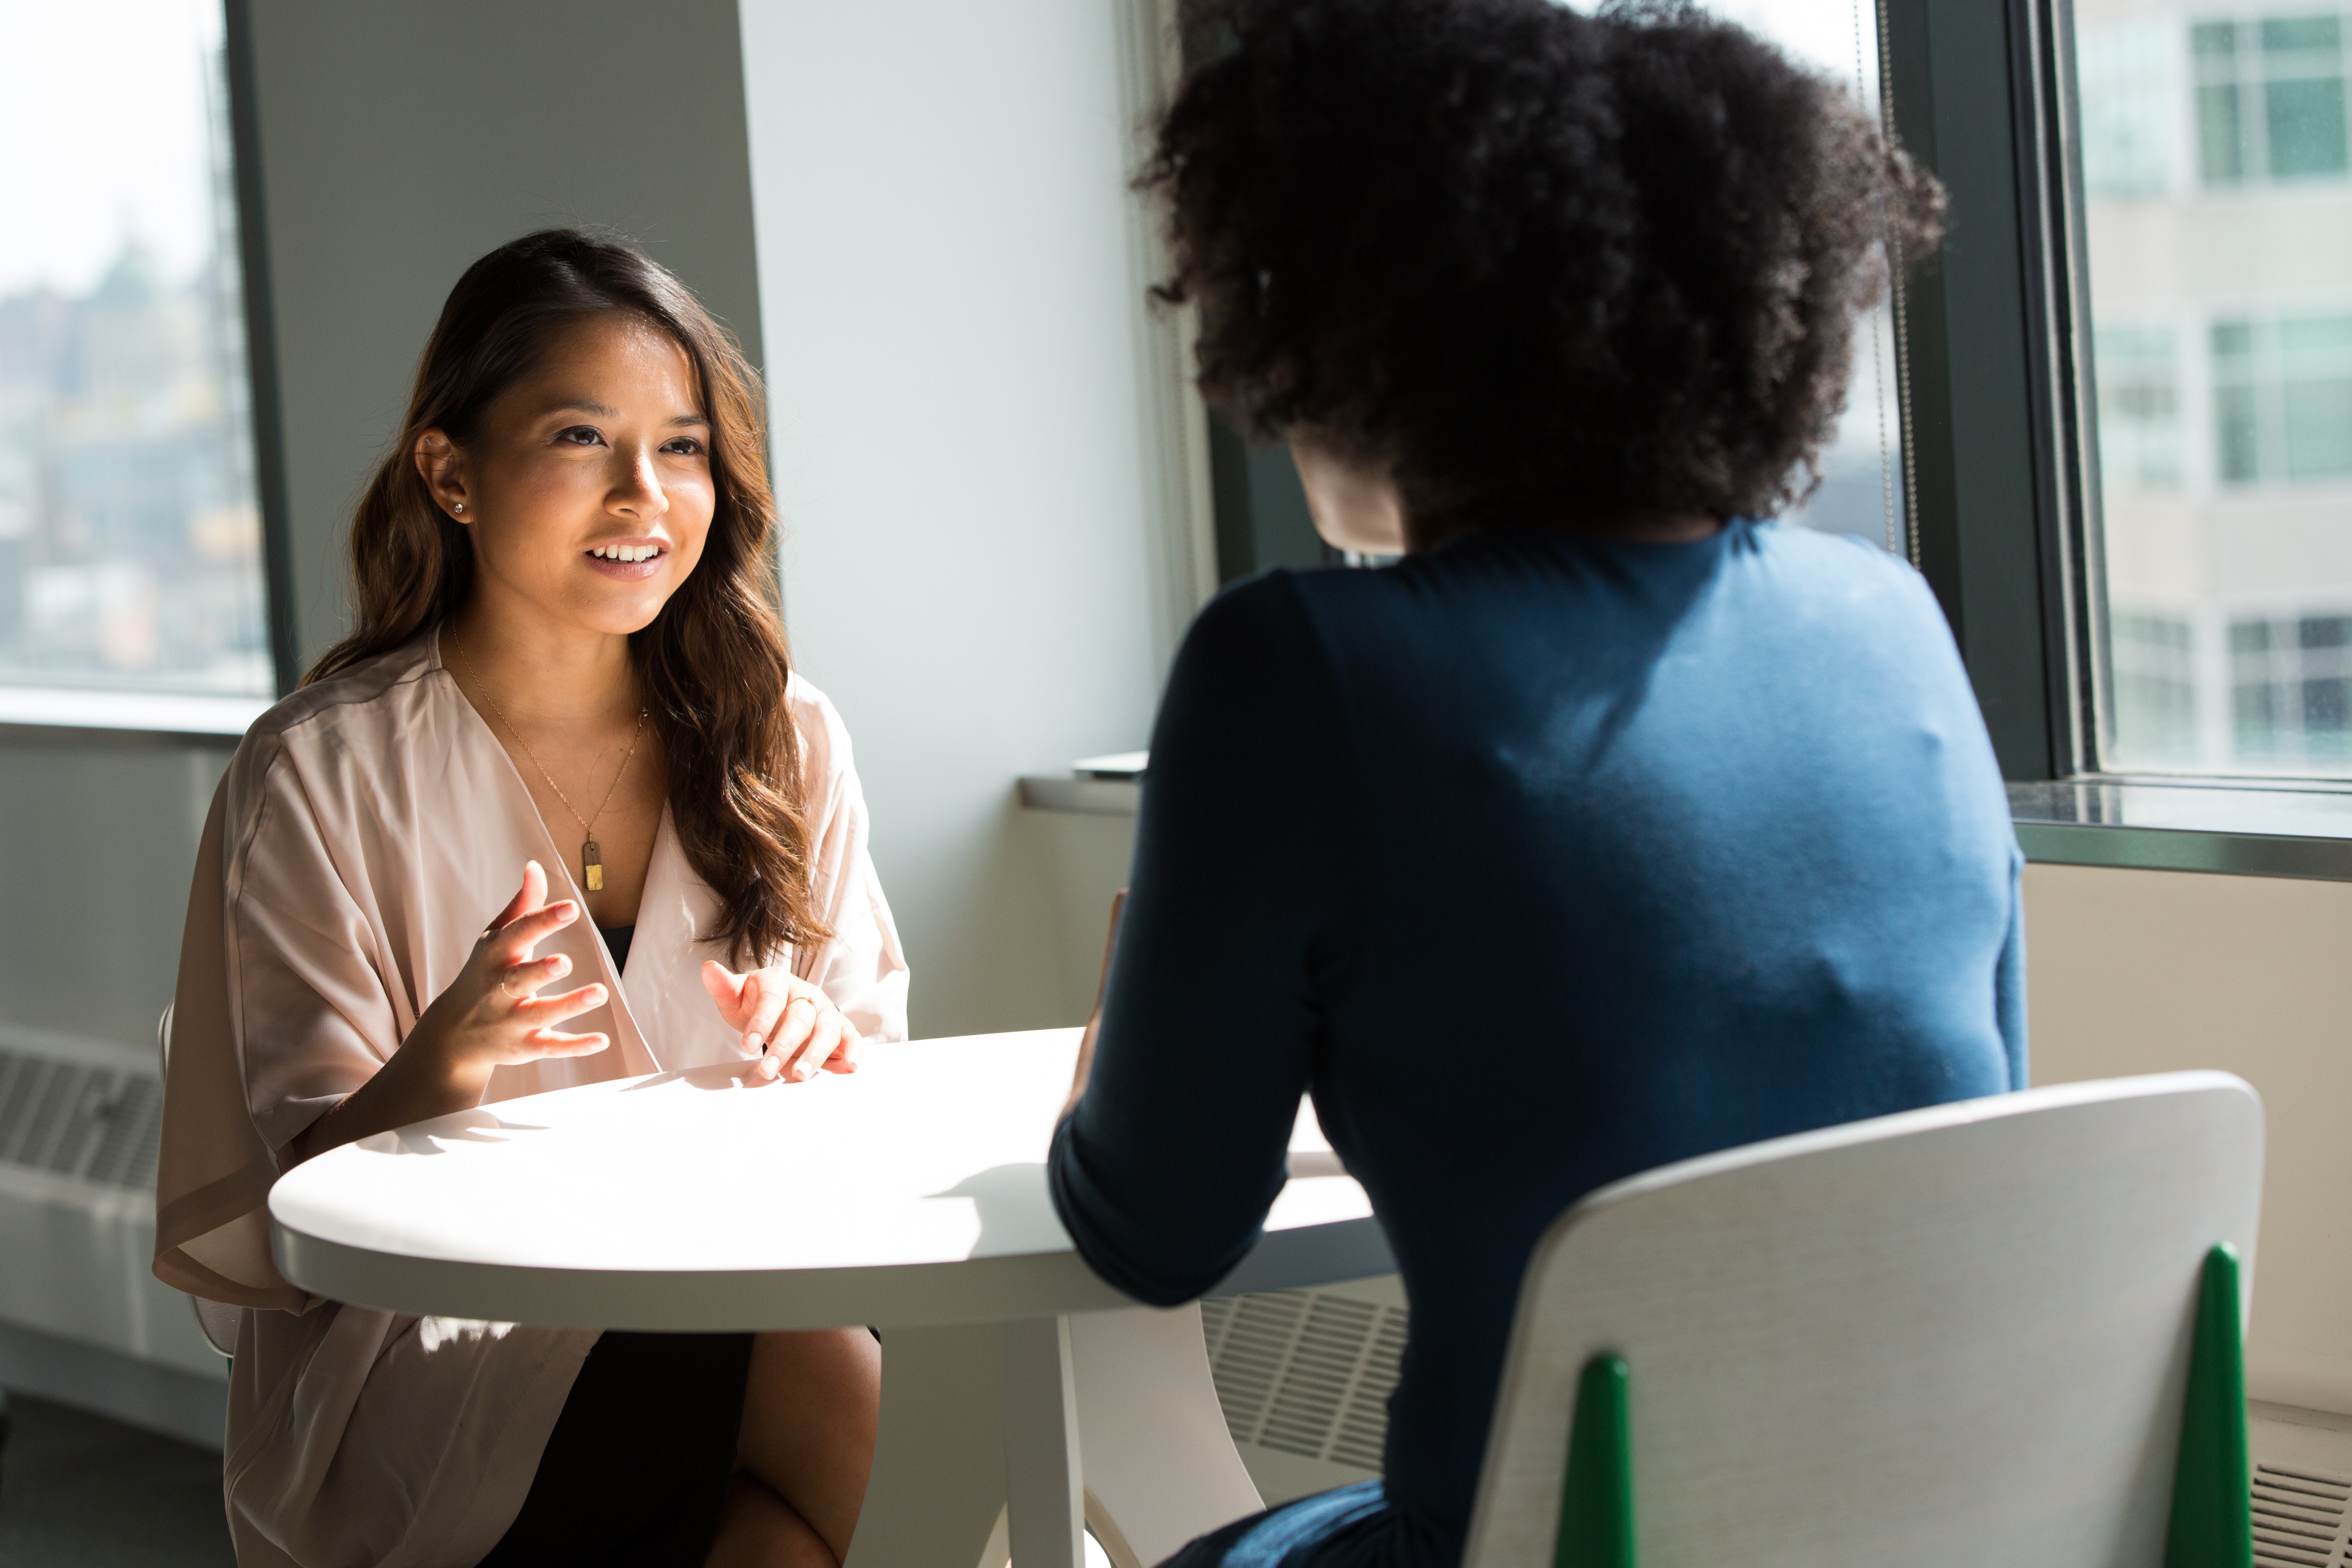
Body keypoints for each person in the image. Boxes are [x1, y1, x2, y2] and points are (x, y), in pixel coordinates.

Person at [1047, 2, 2015, 1565]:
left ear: (1362, 333)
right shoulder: (1894, 626)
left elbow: (1154, 1233)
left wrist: (1119, 1065)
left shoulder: (1296, 664)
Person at [153, 230, 907, 1568]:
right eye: (581, 438)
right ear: (451, 473)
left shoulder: (787, 738)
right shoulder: (320, 772)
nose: (646, 495)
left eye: (682, 447)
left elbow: (877, 1095)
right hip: (431, 1361)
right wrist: (433, 1072)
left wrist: (822, 1046)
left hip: (746, 1292)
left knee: (783, 1532)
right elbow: (294, 1221)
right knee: (843, 1384)